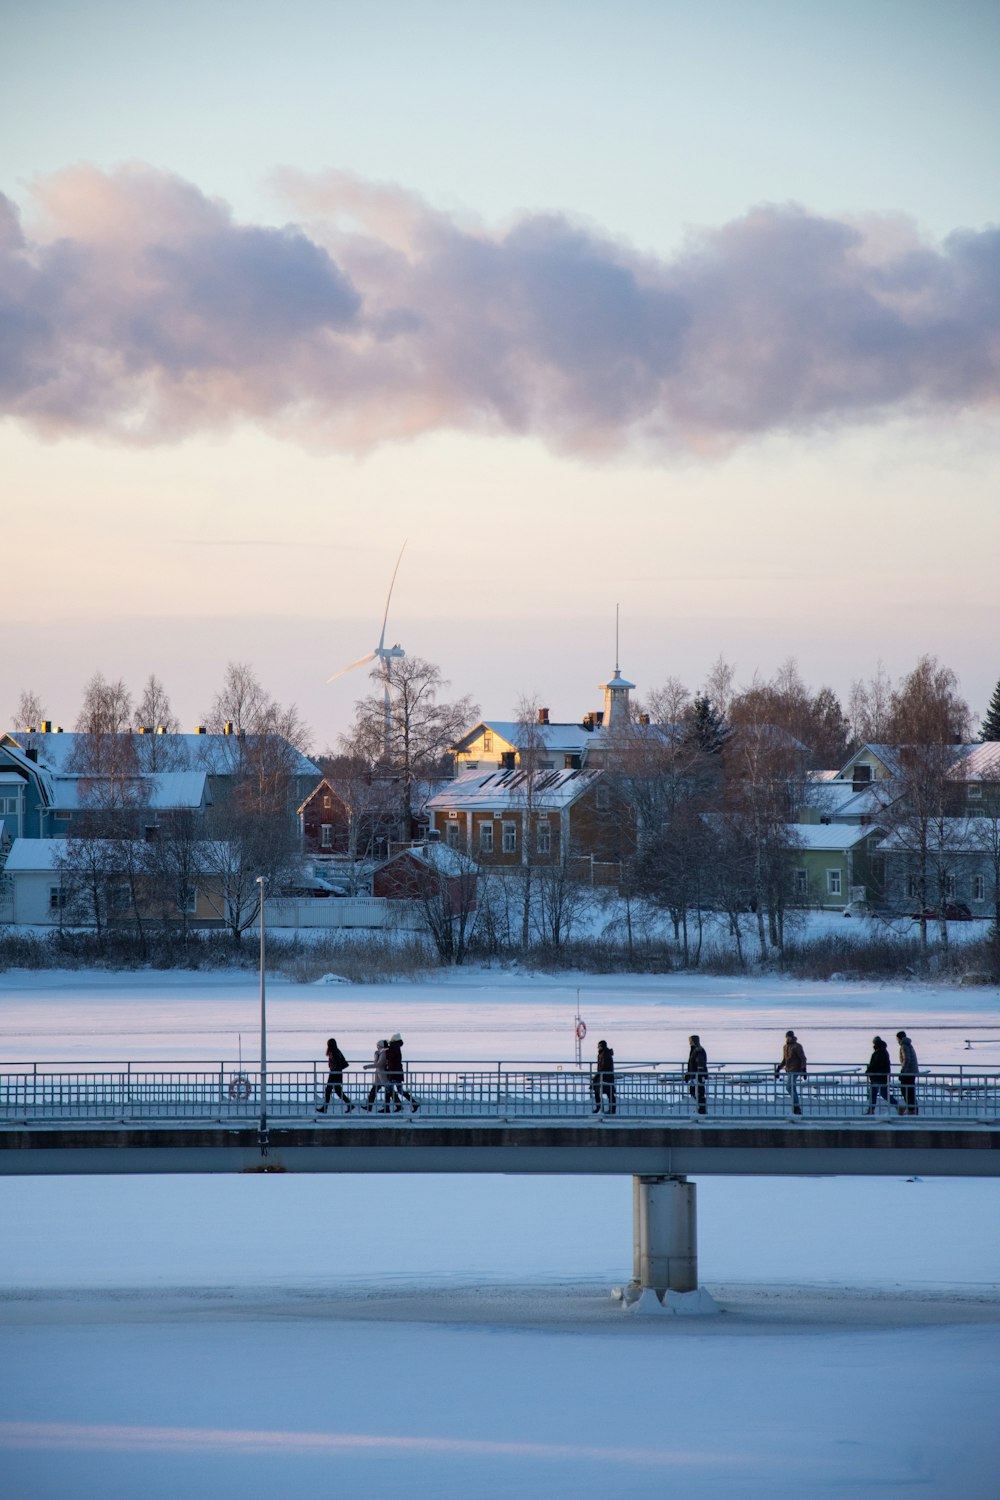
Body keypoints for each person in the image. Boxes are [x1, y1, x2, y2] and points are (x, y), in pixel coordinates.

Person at [316, 1036, 353, 1114]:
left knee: (329, 1090)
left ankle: (325, 1108)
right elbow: (343, 1063)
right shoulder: (337, 1051)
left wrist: (334, 1070)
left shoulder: (333, 1052)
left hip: (334, 1074)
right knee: (337, 1090)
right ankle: (349, 1104)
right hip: (337, 1073)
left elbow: (337, 1063)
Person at [385, 1032, 419, 1113]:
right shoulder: (396, 1047)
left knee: (389, 1089)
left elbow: (389, 1057)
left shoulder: (394, 1047)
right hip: (396, 1071)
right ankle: (413, 1103)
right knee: (397, 1090)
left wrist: (386, 1049)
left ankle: (388, 1108)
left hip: (394, 1072)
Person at [775, 1030, 807, 1114]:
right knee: (792, 1088)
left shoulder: (797, 1046)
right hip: (789, 1070)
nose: (788, 1038)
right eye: (787, 1037)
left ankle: (796, 1106)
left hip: (795, 1070)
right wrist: (779, 1068)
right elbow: (784, 1060)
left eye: (789, 1037)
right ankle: (796, 1107)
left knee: (789, 1087)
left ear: (792, 1037)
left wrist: (804, 1069)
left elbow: (803, 1058)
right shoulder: (785, 1047)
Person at [864, 1036, 898, 1115]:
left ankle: (898, 1105)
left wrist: (869, 1070)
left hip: (879, 1077)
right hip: (878, 1076)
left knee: (884, 1094)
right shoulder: (882, 1050)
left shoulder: (880, 1052)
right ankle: (871, 1109)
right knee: (873, 1094)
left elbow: (876, 1064)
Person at [362, 1040, 395, 1112]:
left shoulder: (383, 1053)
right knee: (375, 1090)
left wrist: (367, 1066)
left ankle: (396, 1105)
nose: (377, 1048)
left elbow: (379, 1064)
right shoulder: (381, 1052)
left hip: (383, 1075)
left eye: (378, 1046)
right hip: (379, 1076)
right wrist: (376, 1056)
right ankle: (370, 1106)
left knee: (389, 1091)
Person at [897, 1030, 919, 1115]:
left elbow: (906, 1059)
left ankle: (911, 1109)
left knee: (906, 1090)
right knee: (910, 1090)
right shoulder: (909, 1045)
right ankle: (912, 1108)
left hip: (908, 1072)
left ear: (899, 1038)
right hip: (912, 1071)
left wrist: (903, 1072)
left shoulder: (904, 1046)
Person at [684, 1034, 708, 1115]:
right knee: (695, 1092)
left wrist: (698, 1075)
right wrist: (688, 1075)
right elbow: (691, 1065)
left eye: (690, 1041)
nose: (689, 1043)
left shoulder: (698, 1050)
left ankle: (701, 1110)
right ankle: (699, 1108)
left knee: (699, 1093)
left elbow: (699, 1064)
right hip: (694, 1076)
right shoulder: (694, 1050)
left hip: (697, 1077)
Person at [592, 1039, 616, 1114]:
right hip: (604, 1076)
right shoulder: (603, 1053)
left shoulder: (605, 1054)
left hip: (605, 1077)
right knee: (608, 1093)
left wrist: (598, 1075)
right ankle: (606, 1108)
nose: (598, 1047)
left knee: (608, 1093)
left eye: (599, 1046)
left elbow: (604, 1066)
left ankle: (602, 1108)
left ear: (602, 1046)